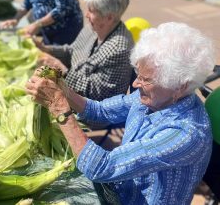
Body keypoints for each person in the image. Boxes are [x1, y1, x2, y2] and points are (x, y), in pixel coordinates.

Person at [26, 22, 215, 205]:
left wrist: (59, 108)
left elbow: (101, 168)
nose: (135, 84)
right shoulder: (156, 97)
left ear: (180, 87)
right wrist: (63, 89)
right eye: (138, 75)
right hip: (119, 187)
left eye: (146, 80)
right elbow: (98, 111)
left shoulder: (186, 134)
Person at [35, 0, 134, 101]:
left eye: (91, 11)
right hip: (71, 95)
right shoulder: (93, 28)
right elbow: (72, 50)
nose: (86, 15)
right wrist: (46, 49)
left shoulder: (120, 49)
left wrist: (62, 71)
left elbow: (97, 94)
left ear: (109, 18)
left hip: (92, 113)